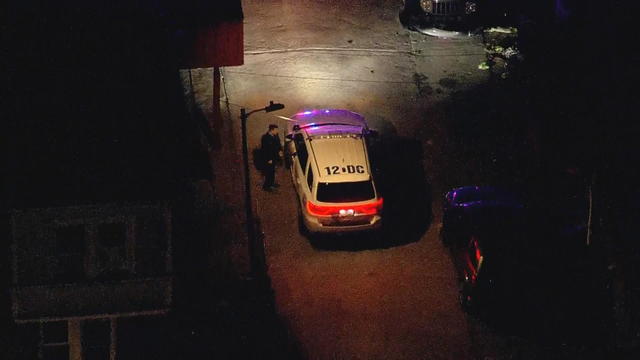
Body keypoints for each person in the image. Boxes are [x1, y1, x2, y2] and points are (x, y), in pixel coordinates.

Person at [260, 124, 283, 192]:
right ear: (272, 130)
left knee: (272, 171)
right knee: (269, 172)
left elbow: (278, 145)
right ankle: (267, 186)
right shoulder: (265, 138)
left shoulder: (275, 136)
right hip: (269, 159)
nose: (277, 131)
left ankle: (271, 183)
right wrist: (268, 159)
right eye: (276, 130)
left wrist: (280, 151)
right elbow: (265, 150)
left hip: (274, 157)